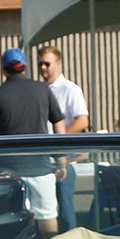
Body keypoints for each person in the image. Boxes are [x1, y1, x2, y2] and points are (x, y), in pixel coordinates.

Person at [0, 48, 63, 236]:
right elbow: (58, 123)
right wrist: (61, 159)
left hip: (9, 174)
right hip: (41, 169)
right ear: (24, 67)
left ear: (3, 69)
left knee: (15, 222)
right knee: (47, 219)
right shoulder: (43, 90)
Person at [37, 46, 90, 229]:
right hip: (44, 154)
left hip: (63, 154)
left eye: (47, 63)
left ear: (58, 64)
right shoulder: (40, 90)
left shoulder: (70, 89)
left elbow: (82, 120)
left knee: (65, 209)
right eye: (40, 64)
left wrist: (60, 138)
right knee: (44, 209)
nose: (43, 68)